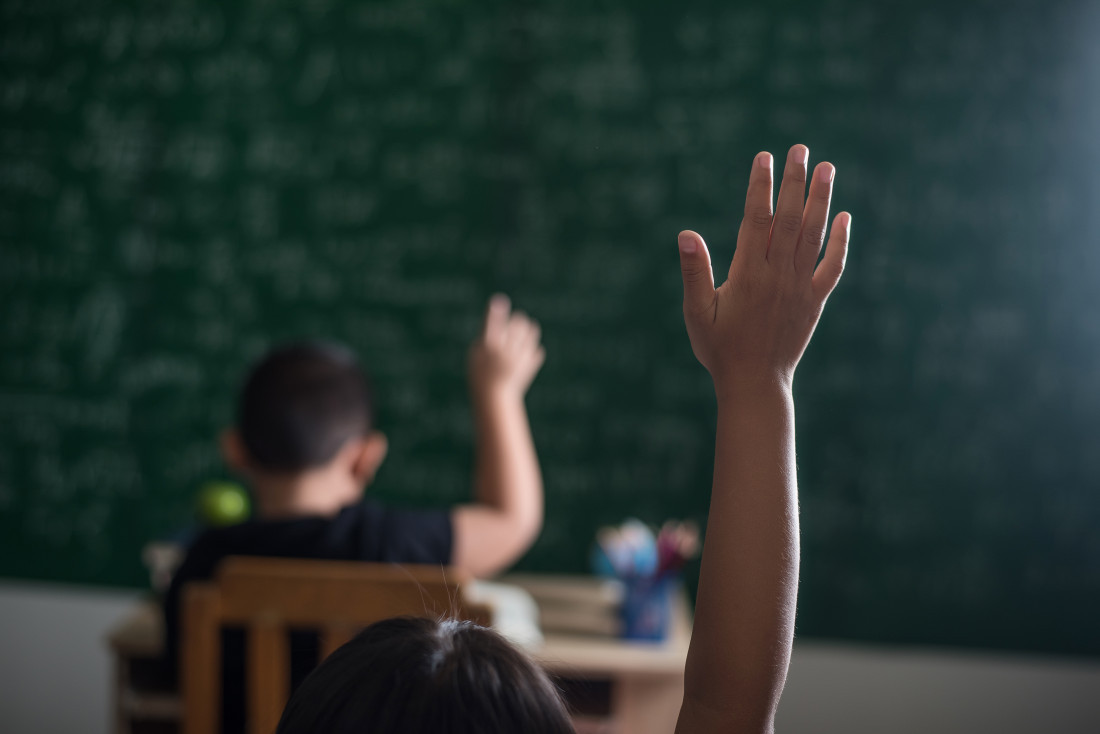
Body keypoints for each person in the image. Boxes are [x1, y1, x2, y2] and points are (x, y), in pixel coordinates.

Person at [271, 143, 851, 734]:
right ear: (366, 454)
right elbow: (726, 709)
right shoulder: (380, 541)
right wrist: (759, 379)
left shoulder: (199, 562)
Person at [162, 294, 547, 733]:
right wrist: (497, 392)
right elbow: (511, 520)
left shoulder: (201, 566)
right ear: (365, 458)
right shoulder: (389, 545)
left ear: (234, 450)